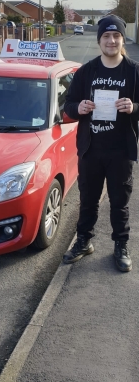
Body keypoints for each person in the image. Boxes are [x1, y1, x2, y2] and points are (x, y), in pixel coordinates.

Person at [63, 15, 139, 272]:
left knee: (119, 202)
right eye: (106, 36)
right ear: (99, 40)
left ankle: (121, 246)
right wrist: (79, 107)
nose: (111, 40)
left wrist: (134, 106)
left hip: (120, 152)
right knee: (88, 200)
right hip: (91, 150)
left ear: (121, 38)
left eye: (116, 35)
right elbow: (68, 106)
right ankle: (83, 242)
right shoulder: (86, 71)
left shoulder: (134, 71)